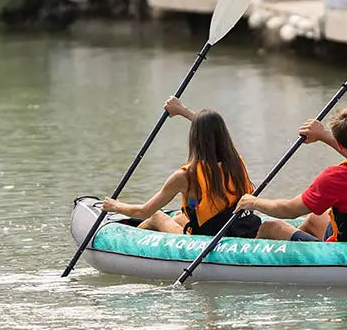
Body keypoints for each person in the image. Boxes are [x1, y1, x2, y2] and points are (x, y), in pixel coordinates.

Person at [236, 108, 347, 243]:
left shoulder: (336, 176)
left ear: (341, 145)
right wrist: (321, 135)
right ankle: (309, 253)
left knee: (271, 227)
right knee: (316, 217)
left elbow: (289, 210)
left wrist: (252, 202)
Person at [101, 97, 261, 238]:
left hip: (207, 238)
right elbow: (212, 132)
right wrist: (181, 110)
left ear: (194, 138)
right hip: (239, 226)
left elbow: (143, 212)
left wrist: (115, 206)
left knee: (156, 216)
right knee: (178, 217)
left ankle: (130, 244)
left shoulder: (185, 176)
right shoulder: (236, 162)